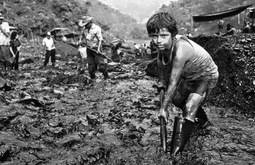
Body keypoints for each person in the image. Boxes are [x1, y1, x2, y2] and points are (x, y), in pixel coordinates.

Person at [146, 12, 219, 155]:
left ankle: (176, 154)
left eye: (163, 36)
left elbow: (173, 83)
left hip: (205, 76)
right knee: (177, 99)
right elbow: (162, 67)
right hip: (190, 76)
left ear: (172, 35)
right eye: (154, 36)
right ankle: (203, 121)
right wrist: (161, 82)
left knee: (189, 106)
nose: (158, 40)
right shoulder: (162, 50)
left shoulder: (181, 49)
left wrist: (163, 109)